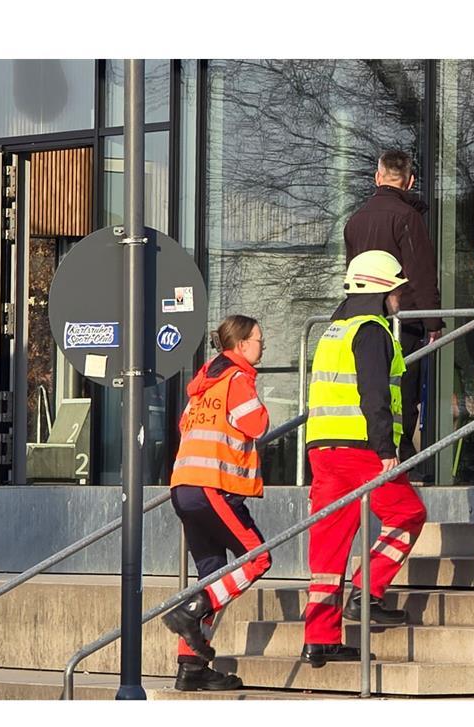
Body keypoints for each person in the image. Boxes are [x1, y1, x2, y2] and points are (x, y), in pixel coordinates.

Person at [301, 250, 428, 667]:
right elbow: (374, 394)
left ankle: (319, 639)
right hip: (361, 448)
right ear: (380, 290)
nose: (399, 298)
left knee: (328, 546)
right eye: (396, 290)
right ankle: (367, 591)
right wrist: (387, 450)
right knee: (407, 514)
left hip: (323, 448)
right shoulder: (371, 331)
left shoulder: (332, 332)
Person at [163, 315, 272, 691]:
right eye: (259, 339)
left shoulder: (203, 384)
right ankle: (191, 611)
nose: (264, 345)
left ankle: (191, 666)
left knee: (212, 573)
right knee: (258, 558)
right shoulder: (237, 379)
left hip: (184, 487)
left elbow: (183, 426)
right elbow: (257, 424)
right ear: (241, 345)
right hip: (213, 488)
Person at [344, 150, 443, 475]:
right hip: (404, 322)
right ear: (410, 181)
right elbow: (421, 272)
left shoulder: (355, 220)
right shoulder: (407, 218)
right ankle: (400, 456)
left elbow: (351, 273)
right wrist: (432, 322)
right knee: (403, 390)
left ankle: (377, 453)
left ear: (377, 178)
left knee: (371, 386)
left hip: (363, 317)